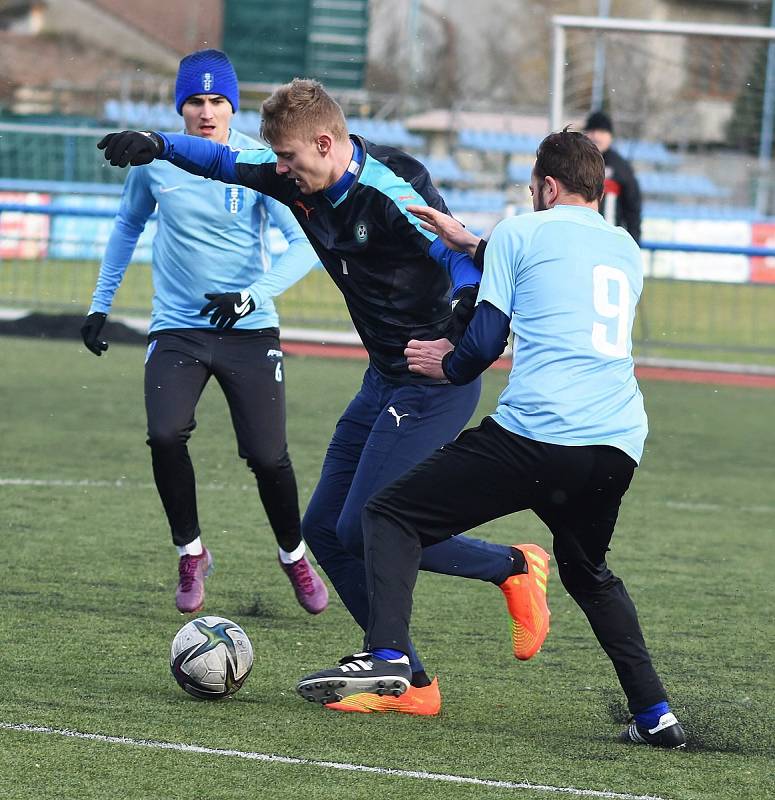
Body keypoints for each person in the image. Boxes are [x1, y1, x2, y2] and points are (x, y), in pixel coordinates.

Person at [96, 78, 549, 717]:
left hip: (433, 385)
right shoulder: (294, 174)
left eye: (287, 159)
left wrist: (455, 347)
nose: (278, 171)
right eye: (276, 161)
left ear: (325, 142)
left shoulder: (393, 193)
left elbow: (474, 273)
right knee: (325, 533)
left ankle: (514, 568)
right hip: (383, 379)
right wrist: (156, 144)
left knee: (374, 523)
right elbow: (225, 159)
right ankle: (410, 683)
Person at [297, 129, 686, 749]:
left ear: (547, 187)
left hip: (534, 439)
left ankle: (390, 658)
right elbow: (555, 278)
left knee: (389, 515)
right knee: (591, 577)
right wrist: (474, 244)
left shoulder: (519, 232)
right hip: (615, 446)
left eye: (534, 188)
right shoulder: (624, 249)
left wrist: (443, 365)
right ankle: (655, 713)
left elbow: (483, 342)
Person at [81, 51, 328, 616]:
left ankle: (293, 555)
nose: (207, 111)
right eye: (196, 100)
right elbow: (127, 226)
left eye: (219, 100)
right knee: (165, 436)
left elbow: (304, 245)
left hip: (248, 329)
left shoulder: (261, 161)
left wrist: (252, 296)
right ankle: (191, 553)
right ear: (181, 106)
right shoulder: (155, 160)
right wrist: (100, 305)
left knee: (268, 458)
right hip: (178, 330)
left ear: (233, 106)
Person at [584, 110, 642, 244]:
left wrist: (634, 244)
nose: (596, 136)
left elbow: (633, 209)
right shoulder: (575, 163)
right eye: (592, 131)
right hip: (582, 238)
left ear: (610, 136)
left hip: (611, 240)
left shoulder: (621, 168)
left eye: (602, 132)